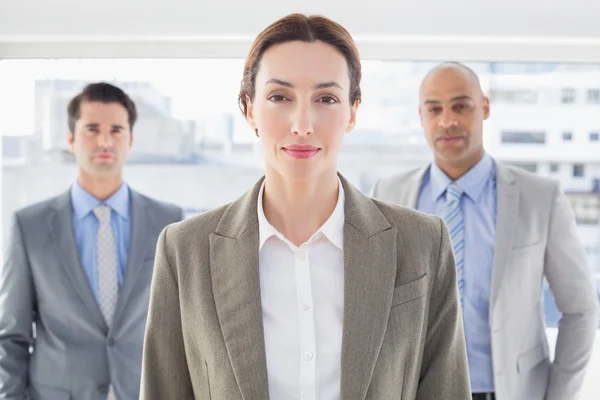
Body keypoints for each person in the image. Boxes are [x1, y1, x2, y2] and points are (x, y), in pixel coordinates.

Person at [140, 14, 471, 400]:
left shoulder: (423, 242)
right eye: (279, 97)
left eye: (326, 98)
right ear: (249, 109)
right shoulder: (185, 250)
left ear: (352, 111)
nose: (302, 123)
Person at [371, 62, 600, 400]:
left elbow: (580, 310)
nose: (447, 120)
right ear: (421, 116)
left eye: (460, 106)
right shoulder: (387, 194)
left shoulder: (541, 198)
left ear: (485, 108)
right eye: (435, 109)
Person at [0, 82, 184, 399]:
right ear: (70, 139)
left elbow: (185, 328)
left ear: (130, 140)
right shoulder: (30, 226)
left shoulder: (169, 222)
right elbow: (11, 337)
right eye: (92, 129)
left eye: (116, 130)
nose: (104, 141)